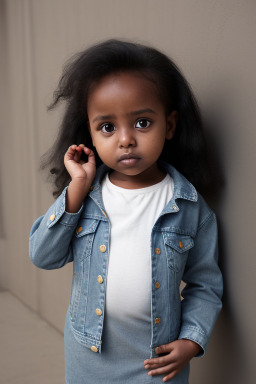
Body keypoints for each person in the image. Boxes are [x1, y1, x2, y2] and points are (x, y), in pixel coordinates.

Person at [29, 39, 223, 384]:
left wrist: (192, 340)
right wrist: (76, 189)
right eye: (107, 127)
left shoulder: (190, 208)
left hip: (158, 362)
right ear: (89, 132)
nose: (125, 140)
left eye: (142, 123)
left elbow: (205, 285)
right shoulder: (86, 196)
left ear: (170, 124)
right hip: (89, 357)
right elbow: (43, 255)